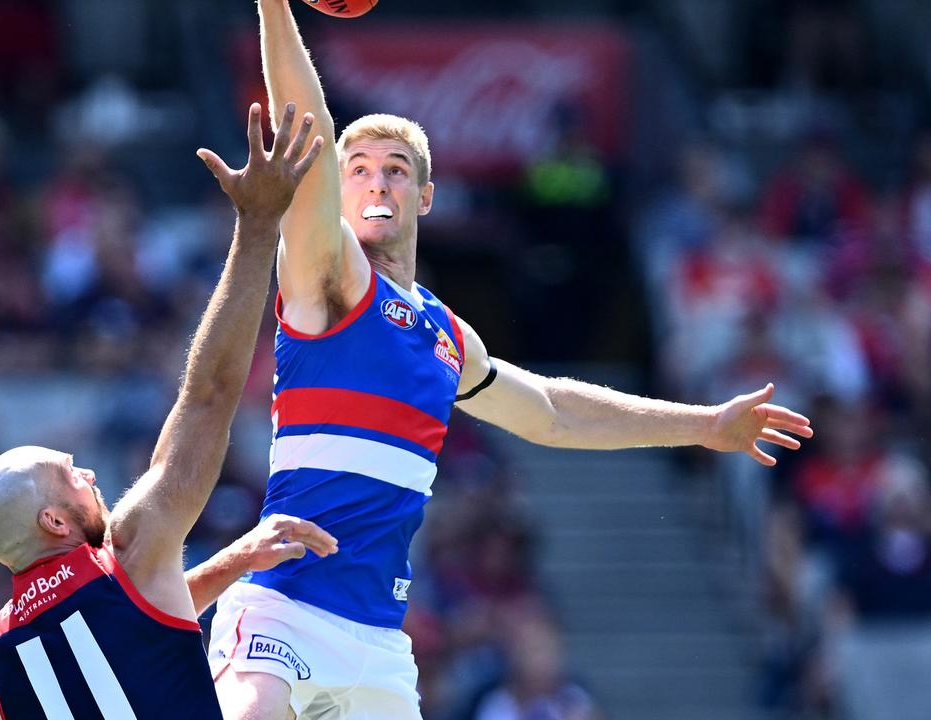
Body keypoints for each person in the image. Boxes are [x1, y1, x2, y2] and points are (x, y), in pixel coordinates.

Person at [207, 3, 817, 719]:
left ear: (425, 197)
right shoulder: (328, 274)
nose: (377, 182)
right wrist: (276, 6)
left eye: (397, 171)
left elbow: (553, 411)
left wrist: (706, 424)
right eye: (360, 169)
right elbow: (306, 134)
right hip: (283, 608)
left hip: (374, 641)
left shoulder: (445, 333)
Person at [0, 103, 338, 720]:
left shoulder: (5, 651)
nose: (88, 476)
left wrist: (237, 558)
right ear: (56, 522)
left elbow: (140, 633)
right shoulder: (132, 547)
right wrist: (258, 222)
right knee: (275, 660)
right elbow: (210, 395)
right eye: (71, 475)